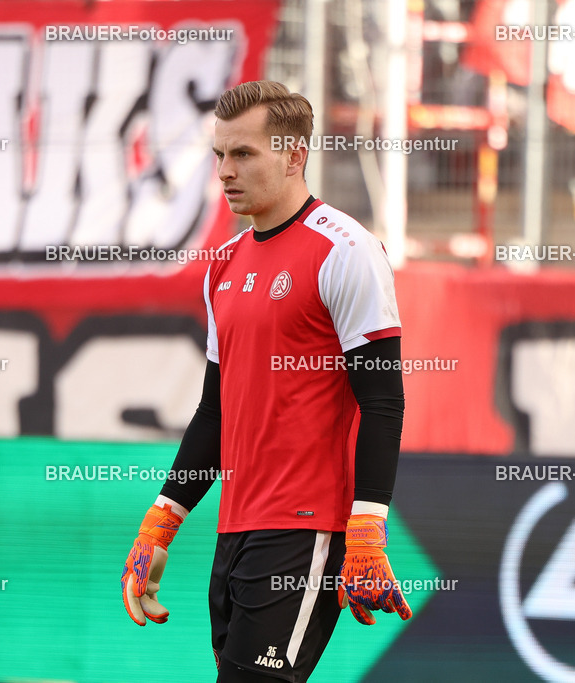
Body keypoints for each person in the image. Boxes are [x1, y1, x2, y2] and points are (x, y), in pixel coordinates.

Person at [120, 80, 411, 683]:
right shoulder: (222, 265)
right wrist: (162, 520)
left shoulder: (347, 251)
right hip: (236, 531)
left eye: (244, 154)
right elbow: (214, 412)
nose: (225, 171)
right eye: (220, 155)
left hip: (304, 533)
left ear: (293, 155)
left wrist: (366, 528)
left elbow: (383, 403)